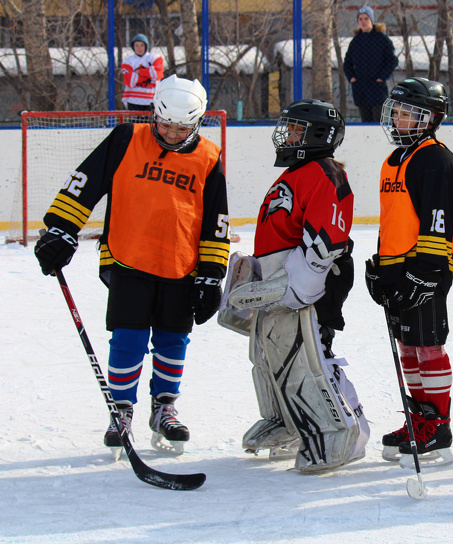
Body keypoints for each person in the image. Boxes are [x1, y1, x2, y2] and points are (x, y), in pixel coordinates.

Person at [34, 75, 230, 456]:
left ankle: (164, 407)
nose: (172, 134)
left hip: (181, 265)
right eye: (166, 125)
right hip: (128, 257)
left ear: (197, 123)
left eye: (182, 129)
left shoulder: (209, 157)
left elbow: (216, 220)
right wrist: (62, 228)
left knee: (173, 339)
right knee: (128, 337)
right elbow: (85, 182)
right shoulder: (127, 138)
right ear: (154, 114)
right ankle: (121, 410)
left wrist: (211, 274)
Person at [218, 99, 369, 473]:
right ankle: (292, 424)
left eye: (296, 130)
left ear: (317, 135)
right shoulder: (296, 172)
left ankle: (344, 433)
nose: (286, 136)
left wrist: (296, 285)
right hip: (281, 281)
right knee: (271, 357)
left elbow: (327, 241)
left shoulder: (325, 173)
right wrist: (255, 273)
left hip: (314, 283)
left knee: (310, 358)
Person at [365, 77, 453, 467]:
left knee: (428, 346)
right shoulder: (393, 160)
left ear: (430, 118)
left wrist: (425, 273)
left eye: (408, 113)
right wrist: (380, 265)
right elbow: (393, 220)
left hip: (425, 270)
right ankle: (419, 418)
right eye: (396, 111)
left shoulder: (436, 160)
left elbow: (438, 223)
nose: (398, 119)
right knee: (408, 347)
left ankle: (438, 426)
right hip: (397, 270)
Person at [343, 5, 399, 122]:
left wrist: (381, 77)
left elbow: (393, 60)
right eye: (360, 19)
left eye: (366, 18)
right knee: (365, 123)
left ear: (371, 20)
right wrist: (352, 78)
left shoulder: (381, 39)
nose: (363, 22)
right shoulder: (356, 41)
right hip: (361, 90)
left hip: (377, 89)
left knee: (379, 123)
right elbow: (347, 63)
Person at [121, 33, 164, 111]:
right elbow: (130, 81)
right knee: (134, 120)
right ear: (133, 46)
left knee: (151, 120)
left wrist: (139, 72)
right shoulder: (128, 61)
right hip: (133, 100)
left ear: (146, 46)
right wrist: (149, 74)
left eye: (142, 45)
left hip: (151, 100)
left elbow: (157, 74)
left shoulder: (155, 58)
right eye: (136, 45)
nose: (139, 48)